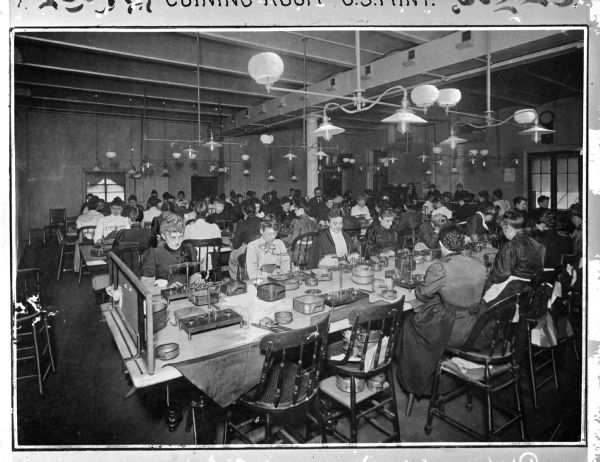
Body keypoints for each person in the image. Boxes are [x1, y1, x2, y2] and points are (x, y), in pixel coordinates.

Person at [397, 224, 487, 397]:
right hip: (477, 327)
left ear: (442, 245)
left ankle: (418, 382)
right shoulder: (479, 265)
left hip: (454, 330)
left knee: (409, 324)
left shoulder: (440, 267)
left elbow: (422, 294)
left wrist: (422, 283)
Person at [483, 211, 545, 304]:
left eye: (503, 229)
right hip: (530, 289)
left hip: (513, 289)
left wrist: (489, 274)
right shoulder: (538, 245)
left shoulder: (510, 246)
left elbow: (501, 275)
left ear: (508, 229)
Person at [140, 214, 203, 287]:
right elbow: (146, 285)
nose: (177, 241)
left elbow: (193, 276)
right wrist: (167, 288)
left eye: (180, 236)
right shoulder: (154, 253)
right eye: (173, 237)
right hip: (162, 296)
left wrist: (197, 280)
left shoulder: (189, 249)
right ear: (164, 236)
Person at [229, 201, 263, 280]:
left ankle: (237, 280)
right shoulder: (262, 221)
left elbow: (235, 245)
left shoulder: (242, 224)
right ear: (255, 210)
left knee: (232, 255)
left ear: (244, 211)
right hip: (262, 252)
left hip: (249, 253)